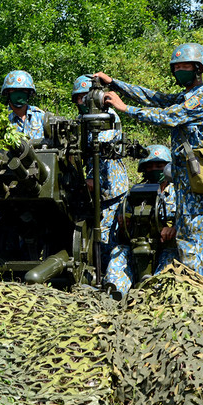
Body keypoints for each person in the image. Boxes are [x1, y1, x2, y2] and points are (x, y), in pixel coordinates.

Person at [96, 42, 203, 281]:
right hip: (186, 183)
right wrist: (115, 84)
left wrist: (125, 108)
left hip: (198, 183)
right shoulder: (186, 96)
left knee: (196, 243)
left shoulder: (201, 99)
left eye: (185, 66)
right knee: (186, 242)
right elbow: (154, 97)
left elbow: (167, 116)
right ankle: (194, 291)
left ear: (198, 68)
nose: (179, 70)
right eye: (177, 67)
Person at [105, 145, 177, 296]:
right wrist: (124, 223)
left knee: (168, 266)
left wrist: (173, 228)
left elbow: (187, 223)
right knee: (118, 254)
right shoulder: (134, 193)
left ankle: (154, 292)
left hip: (166, 248)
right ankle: (116, 293)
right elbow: (122, 232)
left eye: (159, 166)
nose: (154, 170)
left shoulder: (178, 195)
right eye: (149, 167)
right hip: (136, 247)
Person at [72, 75, 129, 264]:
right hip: (89, 193)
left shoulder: (108, 117)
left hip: (111, 189)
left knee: (106, 241)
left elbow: (101, 149)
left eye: (86, 96)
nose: (83, 101)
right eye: (79, 97)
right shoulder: (79, 121)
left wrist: (90, 179)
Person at [0, 70, 47, 139]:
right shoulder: (1, 119)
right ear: (7, 92)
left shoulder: (40, 117)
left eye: (23, 90)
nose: (19, 94)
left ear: (29, 93)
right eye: (14, 90)